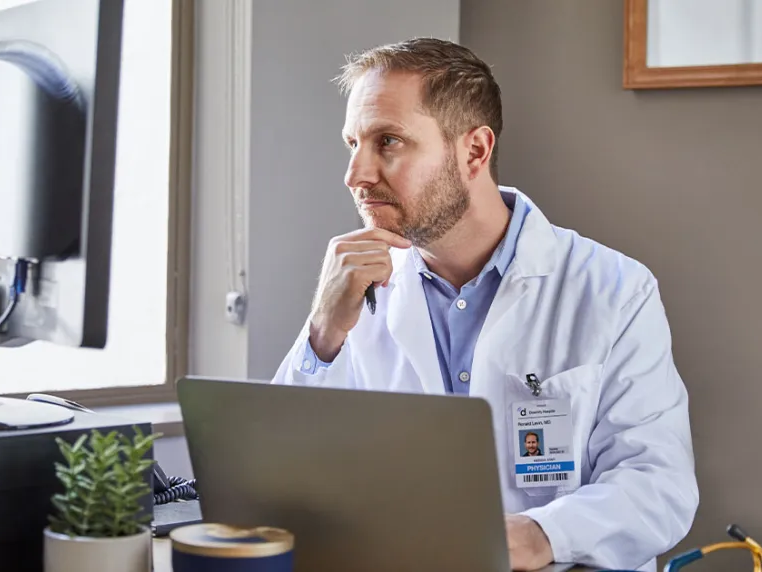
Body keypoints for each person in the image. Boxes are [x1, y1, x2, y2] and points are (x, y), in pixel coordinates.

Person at [271, 37, 698, 571]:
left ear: (474, 150)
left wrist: (535, 536)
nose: (356, 174)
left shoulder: (613, 288)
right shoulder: (355, 293)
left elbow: (658, 486)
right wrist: (323, 334)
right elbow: (280, 478)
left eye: (388, 142)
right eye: (352, 143)